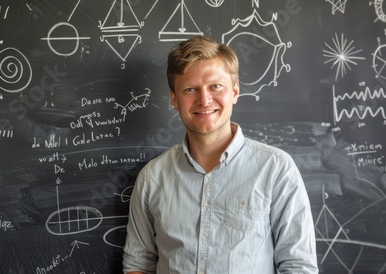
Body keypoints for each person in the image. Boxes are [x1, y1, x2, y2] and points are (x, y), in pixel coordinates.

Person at [122, 35, 318, 273]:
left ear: (234, 91)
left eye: (215, 86)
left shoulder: (276, 169)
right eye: (190, 89)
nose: (204, 100)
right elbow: (138, 263)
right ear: (175, 99)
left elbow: (298, 266)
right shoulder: (152, 178)